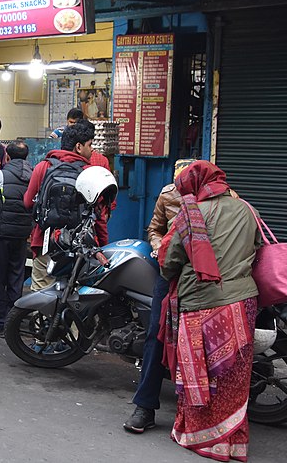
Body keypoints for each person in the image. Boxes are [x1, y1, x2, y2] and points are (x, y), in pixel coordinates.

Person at [157, 160, 260, 461]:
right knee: (234, 377)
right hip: (243, 302)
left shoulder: (192, 214)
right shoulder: (247, 209)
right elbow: (256, 248)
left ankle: (203, 439)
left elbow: (170, 261)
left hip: (201, 301)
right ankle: (234, 443)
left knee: (199, 374)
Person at [124, 158, 196, 433]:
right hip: (170, 273)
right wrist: (159, 246)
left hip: (203, 278)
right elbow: (154, 229)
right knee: (157, 335)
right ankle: (145, 406)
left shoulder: (219, 199)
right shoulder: (168, 195)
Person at [24, 121, 111, 291]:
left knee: (41, 297)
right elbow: (99, 216)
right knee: (73, 296)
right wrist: (102, 247)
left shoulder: (43, 167)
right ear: (79, 147)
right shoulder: (89, 173)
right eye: (90, 145)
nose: (91, 150)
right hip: (79, 249)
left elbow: (28, 202)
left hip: (45, 244)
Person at [0, 141, 33, 338]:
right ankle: (13, 320)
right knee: (16, 277)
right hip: (22, 235)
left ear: (7, 157)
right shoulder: (34, 175)